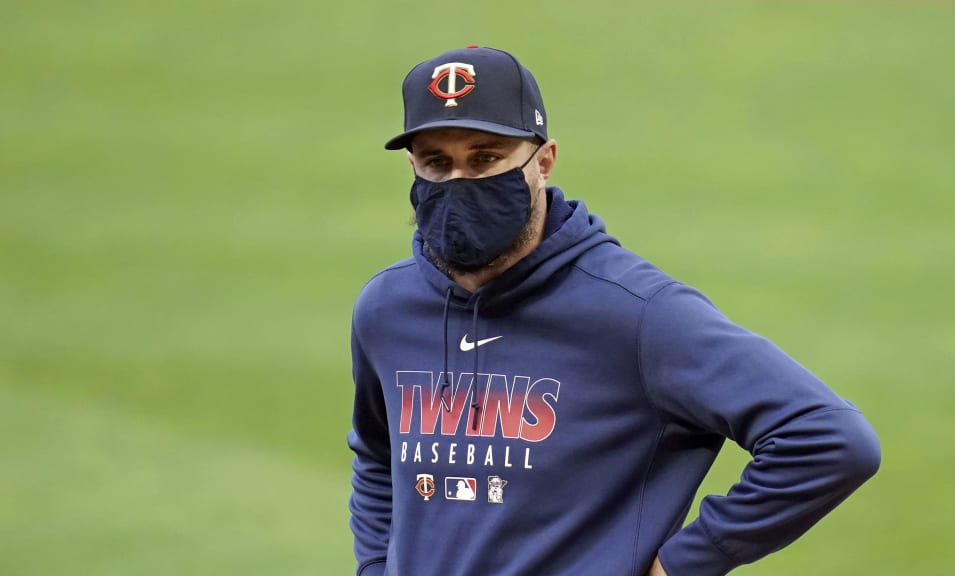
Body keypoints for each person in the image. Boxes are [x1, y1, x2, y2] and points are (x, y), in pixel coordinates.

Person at [347, 45, 880, 576]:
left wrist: (685, 562)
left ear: (543, 162)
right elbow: (377, 457)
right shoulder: (388, 308)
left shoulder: (638, 313)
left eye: (486, 158)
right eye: (437, 163)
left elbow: (828, 439)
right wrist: (374, 566)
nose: (460, 181)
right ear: (413, 166)